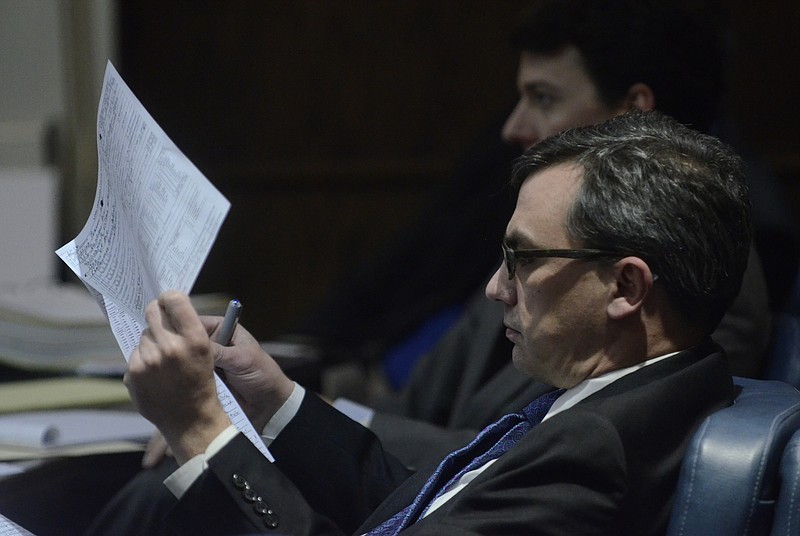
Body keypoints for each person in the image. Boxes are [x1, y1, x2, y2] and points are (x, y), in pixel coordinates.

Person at [113, 110, 747, 535]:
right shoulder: (633, 397)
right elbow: (430, 505)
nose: (497, 288)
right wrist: (272, 400)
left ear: (626, 286)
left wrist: (199, 427)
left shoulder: (598, 451)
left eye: (522, 259)